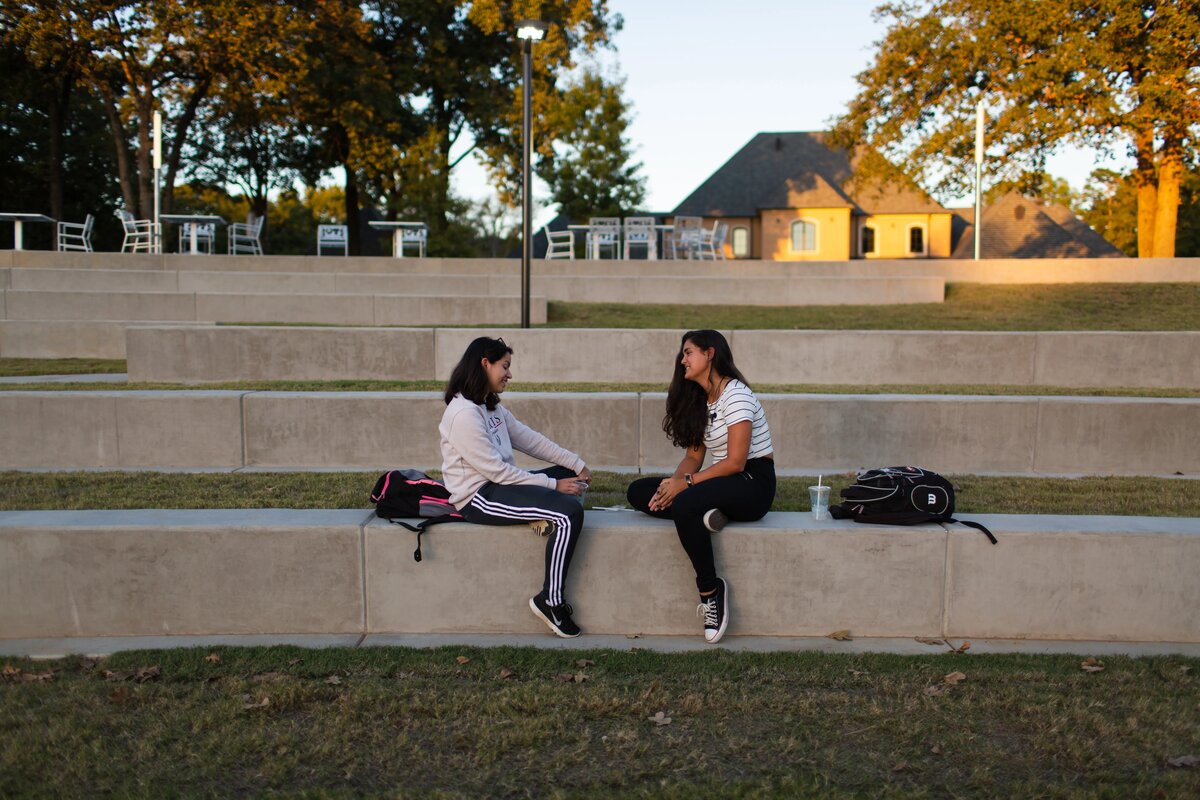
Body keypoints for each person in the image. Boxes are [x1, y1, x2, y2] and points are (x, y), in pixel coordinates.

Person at [625, 329, 775, 643]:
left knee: (684, 503)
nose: (682, 360)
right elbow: (693, 458)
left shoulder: (737, 395)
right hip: (721, 482)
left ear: (709, 354)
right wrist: (674, 483)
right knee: (639, 491)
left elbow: (736, 462)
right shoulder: (701, 400)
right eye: (682, 354)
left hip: (753, 482)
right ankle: (711, 511)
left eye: (688, 352)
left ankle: (711, 592)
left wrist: (686, 486)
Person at [439, 336, 592, 638]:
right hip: (479, 497)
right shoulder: (463, 414)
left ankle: (537, 514)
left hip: (502, 484)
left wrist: (575, 464)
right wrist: (553, 485)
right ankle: (550, 600)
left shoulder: (488, 406)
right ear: (485, 364)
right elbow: (497, 472)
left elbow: (529, 439)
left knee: (569, 476)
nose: (509, 374)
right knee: (569, 514)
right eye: (505, 367)